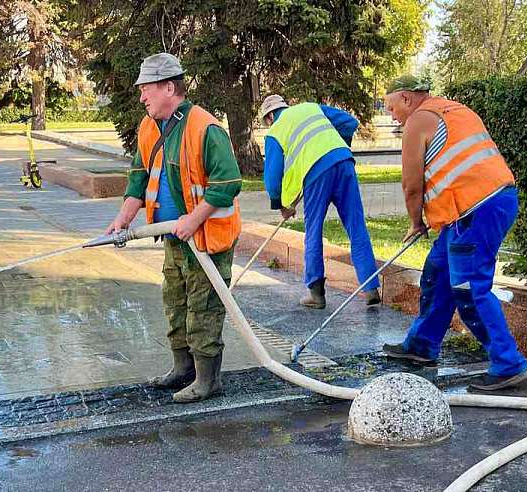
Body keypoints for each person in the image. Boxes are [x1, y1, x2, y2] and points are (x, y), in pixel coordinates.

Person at [106, 52, 242, 403]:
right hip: (176, 239)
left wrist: (193, 219)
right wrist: (124, 217)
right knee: (175, 303)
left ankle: (208, 380)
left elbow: (227, 183)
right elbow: (139, 176)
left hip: (207, 240)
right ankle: (183, 369)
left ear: (169, 87)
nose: (141, 96)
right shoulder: (149, 126)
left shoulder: (205, 128)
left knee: (203, 308)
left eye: (146, 88)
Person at [381, 75, 527, 391]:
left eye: (392, 108)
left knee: (468, 288)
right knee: (438, 273)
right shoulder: (454, 109)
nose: (392, 116)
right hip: (486, 204)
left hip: (475, 210)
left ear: (406, 98)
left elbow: (411, 185)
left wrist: (415, 222)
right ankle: (421, 345)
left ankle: (508, 363)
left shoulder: (417, 121)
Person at [259, 94, 381, 309]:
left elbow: (272, 179)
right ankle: (371, 287)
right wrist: (333, 149)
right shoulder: (310, 108)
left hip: (316, 174)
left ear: (269, 116)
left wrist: (281, 205)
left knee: (313, 230)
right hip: (343, 161)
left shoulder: (275, 132)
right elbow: (349, 122)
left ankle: (316, 294)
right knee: (357, 227)